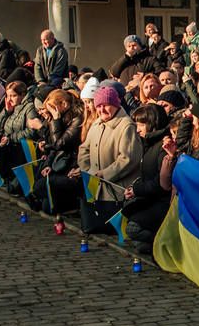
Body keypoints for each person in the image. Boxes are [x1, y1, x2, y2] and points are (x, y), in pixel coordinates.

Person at [72, 84, 141, 205]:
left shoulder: (126, 126)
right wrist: (88, 171)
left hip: (116, 193)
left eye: (106, 105)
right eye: (99, 106)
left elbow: (128, 159)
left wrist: (104, 174)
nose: (102, 109)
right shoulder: (96, 124)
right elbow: (84, 149)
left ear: (115, 105)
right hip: (94, 188)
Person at [123, 104, 173, 255]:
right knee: (140, 244)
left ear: (152, 124)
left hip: (162, 201)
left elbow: (161, 183)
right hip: (150, 198)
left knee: (133, 228)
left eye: (141, 125)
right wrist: (135, 188)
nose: (138, 130)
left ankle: (165, 242)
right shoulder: (148, 144)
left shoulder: (162, 146)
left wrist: (137, 190)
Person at [30, 88, 84, 216]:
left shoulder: (76, 120)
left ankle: (72, 205)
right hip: (60, 163)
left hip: (71, 166)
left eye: (52, 108)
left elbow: (59, 144)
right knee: (45, 203)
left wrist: (55, 120)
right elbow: (54, 147)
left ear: (64, 104)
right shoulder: (61, 118)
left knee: (41, 190)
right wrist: (48, 164)